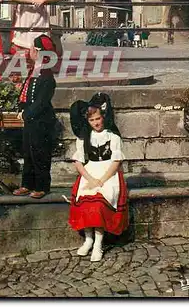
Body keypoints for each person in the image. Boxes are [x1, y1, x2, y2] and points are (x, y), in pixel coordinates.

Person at [68, 93, 129, 262]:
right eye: (92, 120)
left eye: (98, 118)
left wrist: (102, 179)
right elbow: (79, 162)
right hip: (90, 172)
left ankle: (98, 244)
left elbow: (116, 161)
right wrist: (90, 178)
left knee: (98, 205)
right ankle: (88, 239)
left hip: (108, 172)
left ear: (103, 117)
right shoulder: (83, 138)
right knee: (86, 201)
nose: (96, 123)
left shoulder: (113, 136)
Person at [13, 35, 57, 199]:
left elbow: (41, 102)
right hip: (30, 120)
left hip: (41, 121)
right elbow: (26, 94)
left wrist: (27, 113)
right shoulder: (34, 71)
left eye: (32, 48)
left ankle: (42, 186)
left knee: (40, 153)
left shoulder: (47, 76)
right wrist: (21, 108)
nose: (29, 51)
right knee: (28, 152)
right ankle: (27, 184)